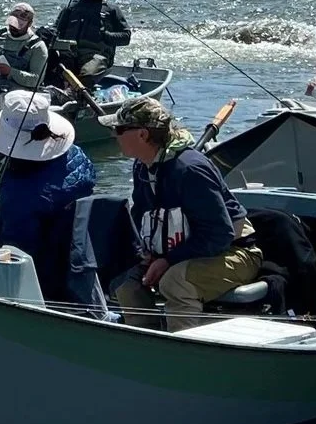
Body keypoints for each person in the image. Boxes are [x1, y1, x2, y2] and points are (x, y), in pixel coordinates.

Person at [109, 97, 261, 328]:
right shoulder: (142, 166)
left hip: (234, 252)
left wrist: (169, 260)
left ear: (142, 135)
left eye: (119, 129)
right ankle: (145, 344)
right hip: (181, 250)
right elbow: (141, 214)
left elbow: (219, 234)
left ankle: (184, 350)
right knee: (126, 283)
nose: (114, 135)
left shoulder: (190, 169)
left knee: (174, 281)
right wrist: (148, 252)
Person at [0, 89, 97, 302]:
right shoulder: (77, 156)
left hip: (44, 280)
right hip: (81, 267)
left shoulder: (21, 193)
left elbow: (16, 248)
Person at [50, 0, 133, 81]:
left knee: (87, 75)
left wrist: (105, 34)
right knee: (51, 70)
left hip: (96, 57)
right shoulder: (71, 8)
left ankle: (79, 93)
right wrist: (48, 34)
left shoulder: (112, 10)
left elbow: (126, 37)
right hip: (69, 54)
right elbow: (56, 31)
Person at [0, 2, 51, 110]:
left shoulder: (37, 46)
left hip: (17, 92)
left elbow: (36, 80)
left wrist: (10, 72)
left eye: (19, 24)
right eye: (12, 23)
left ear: (29, 24)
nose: (14, 27)